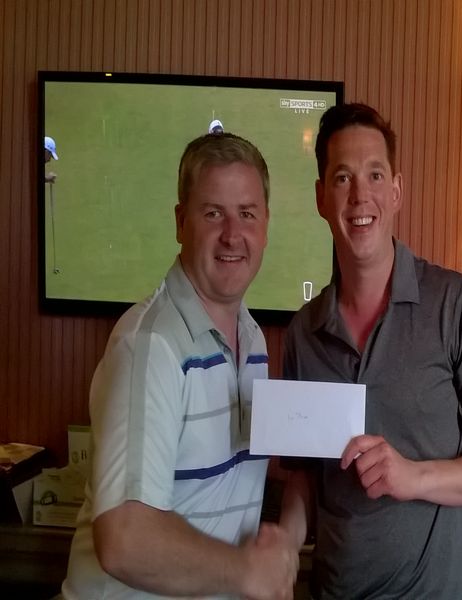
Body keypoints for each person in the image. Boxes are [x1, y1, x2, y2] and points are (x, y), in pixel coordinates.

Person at [278, 103, 462, 599]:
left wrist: (412, 476)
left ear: (397, 191)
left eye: (375, 174)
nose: (360, 194)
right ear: (322, 197)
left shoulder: (452, 301)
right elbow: (301, 478)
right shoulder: (304, 332)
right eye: (342, 178)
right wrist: (283, 540)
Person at [62, 133, 299, 599]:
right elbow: (124, 538)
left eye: (246, 214)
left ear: (266, 225)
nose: (232, 234)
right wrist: (246, 570)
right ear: (180, 222)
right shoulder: (149, 346)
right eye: (213, 213)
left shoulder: (252, 340)